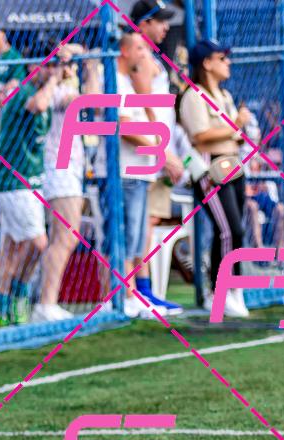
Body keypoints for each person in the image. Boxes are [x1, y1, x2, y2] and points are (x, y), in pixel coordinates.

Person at [178, 39, 250, 317]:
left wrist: (240, 133)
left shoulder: (224, 95)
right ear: (207, 63)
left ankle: (234, 288)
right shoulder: (194, 96)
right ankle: (219, 291)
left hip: (232, 164)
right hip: (211, 168)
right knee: (231, 230)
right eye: (222, 58)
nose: (227, 63)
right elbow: (200, 136)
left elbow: (231, 134)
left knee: (233, 231)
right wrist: (236, 125)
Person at [0, 56, 62, 327]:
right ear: (34, 66)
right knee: (38, 242)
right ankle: (18, 295)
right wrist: (55, 79)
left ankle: (1, 308)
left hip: (29, 181)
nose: (53, 71)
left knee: (10, 246)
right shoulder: (23, 90)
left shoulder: (42, 91)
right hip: (14, 182)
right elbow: (37, 105)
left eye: (56, 66)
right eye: (49, 65)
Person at [129, 0, 186, 315]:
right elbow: (143, 108)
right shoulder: (140, 57)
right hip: (149, 154)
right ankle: (141, 292)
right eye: (159, 21)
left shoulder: (151, 57)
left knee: (147, 222)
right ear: (144, 24)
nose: (165, 27)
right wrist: (162, 152)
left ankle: (145, 291)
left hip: (157, 152)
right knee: (143, 223)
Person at [32, 43, 96, 322]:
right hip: (59, 167)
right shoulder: (54, 91)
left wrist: (80, 57)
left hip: (68, 166)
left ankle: (46, 300)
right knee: (65, 236)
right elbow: (91, 100)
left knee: (63, 236)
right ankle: (46, 302)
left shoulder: (60, 88)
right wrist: (84, 67)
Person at [114, 32, 168, 319]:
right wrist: (157, 148)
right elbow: (125, 127)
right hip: (126, 170)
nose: (145, 53)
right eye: (139, 48)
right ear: (124, 51)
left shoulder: (130, 84)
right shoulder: (117, 81)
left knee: (135, 238)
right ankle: (126, 295)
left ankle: (132, 294)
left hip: (139, 170)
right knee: (127, 236)